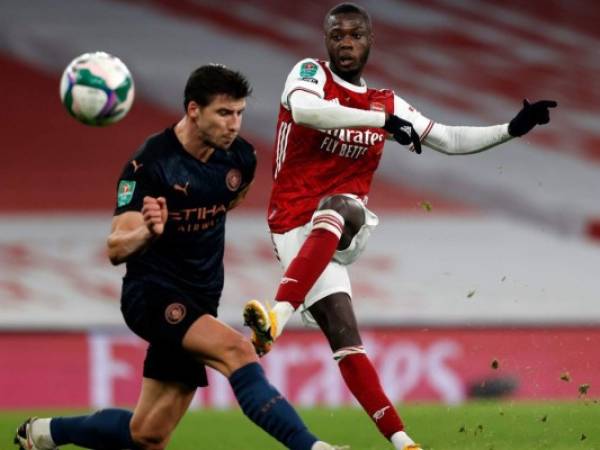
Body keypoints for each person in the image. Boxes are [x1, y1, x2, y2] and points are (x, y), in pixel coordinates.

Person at [243, 3, 557, 450]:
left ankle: (275, 317)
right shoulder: (309, 74)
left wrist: (513, 127)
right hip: (291, 224)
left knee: (341, 205)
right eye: (337, 35)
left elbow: (446, 138)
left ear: (370, 40)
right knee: (345, 339)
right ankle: (403, 441)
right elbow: (309, 114)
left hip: (343, 219)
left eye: (355, 35)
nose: (345, 43)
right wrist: (382, 123)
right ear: (326, 41)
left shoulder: (387, 101)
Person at [14, 65, 346, 450]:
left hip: (201, 299)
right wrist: (149, 231)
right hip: (150, 295)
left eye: (239, 113)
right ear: (193, 110)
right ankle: (313, 447)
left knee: (149, 434)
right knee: (236, 350)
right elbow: (115, 247)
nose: (234, 124)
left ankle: (45, 433)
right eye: (223, 113)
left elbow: (227, 202)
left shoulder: (240, 159)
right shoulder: (150, 164)